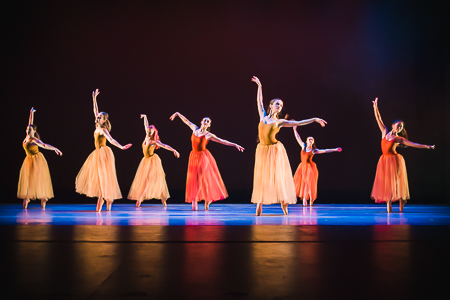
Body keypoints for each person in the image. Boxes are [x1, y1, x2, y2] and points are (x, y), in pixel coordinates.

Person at [251, 76, 327, 216]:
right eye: (277, 104)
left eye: (280, 105)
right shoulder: (262, 116)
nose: (279, 106)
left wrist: (314, 119)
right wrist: (259, 86)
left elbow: (299, 122)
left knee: (278, 177)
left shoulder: (279, 122)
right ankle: (259, 203)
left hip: (274, 150)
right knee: (262, 177)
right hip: (262, 150)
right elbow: (259, 101)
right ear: (271, 106)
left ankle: (284, 203)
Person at [170, 112, 244, 210]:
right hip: (193, 156)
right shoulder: (194, 129)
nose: (205, 122)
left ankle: (195, 199)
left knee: (200, 178)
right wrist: (177, 114)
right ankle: (207, 199)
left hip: (203, 157)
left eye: (207, 121)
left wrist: (235, 144)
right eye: (204, 120)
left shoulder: (208, 135)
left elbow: (222, 141)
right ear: (201, 122)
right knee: (197, 179)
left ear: (209, 125)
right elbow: (186, 121)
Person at [371, 97, 434, 212]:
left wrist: (427, 146)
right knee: (385, 183)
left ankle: (401, 200)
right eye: (398, 126)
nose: (400, 128)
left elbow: (413, 144)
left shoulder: (398, 139)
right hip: (384, 161)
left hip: (394, 161)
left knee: (394, 183)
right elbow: (378, 119)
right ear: (393, 125)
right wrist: (375, 107)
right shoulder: (384, 132)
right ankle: (390, 202)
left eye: (401, 127)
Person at [76, 89, 132, 212]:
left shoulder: (103, 130)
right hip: (97, 154)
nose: (98, 116)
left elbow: (111, 140)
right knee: (99, 177)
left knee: (104, 177)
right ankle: (107, 201)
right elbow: (95, 110)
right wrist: (94, 98)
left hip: (103, 153)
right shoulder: (97, 126)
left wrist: (121, 147)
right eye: (98, 116)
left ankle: (103, 200)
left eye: (100, 117)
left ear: (104, 120)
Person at [128, 114, 180, 207]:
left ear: (153, 133)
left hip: (153, 161)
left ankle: (161, 198)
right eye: (148, 130)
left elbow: (165, 146)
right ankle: (142, 198)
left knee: (153, 180)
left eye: (150, 131)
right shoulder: (146, 137)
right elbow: (146, 125)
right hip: (145, 161)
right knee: (144, 180)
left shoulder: (154, 142)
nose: (148, 132)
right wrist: (145, 117)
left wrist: (174, 150)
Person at [18, 107, 62, 209]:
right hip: (28, 160)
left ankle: (43, 198)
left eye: (30, 129)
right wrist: (31, 113)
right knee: (28, 180)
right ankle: (27, 198)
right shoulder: (27, 137)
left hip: (37, 160)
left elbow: (44, 145)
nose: (28, 130)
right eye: (27, 129)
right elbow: (30, 122)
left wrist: (55, 148)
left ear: (34, 131)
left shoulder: (34, 140)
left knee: (37, 179)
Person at [292, 126, 342, 206]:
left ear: (313, 142)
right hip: (302, 167)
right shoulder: (303, 146)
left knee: (308, 183)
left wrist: (335, 149)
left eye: (312, 139)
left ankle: (311, 198)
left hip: (309, 168)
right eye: (309, 139)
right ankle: (304, 199)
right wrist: (295, 129)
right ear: (307, 141)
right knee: (303, 183)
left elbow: (325, 151)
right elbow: (298, 138)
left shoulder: (314, 150)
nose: (311, 140)